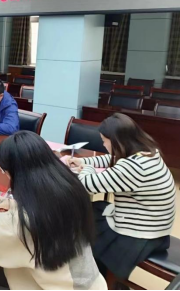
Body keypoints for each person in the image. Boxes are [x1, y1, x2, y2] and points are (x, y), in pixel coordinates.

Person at [0, 131, 106, 290]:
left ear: (10, 172)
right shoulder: (73, 190)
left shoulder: (25, 223)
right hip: (92, 283)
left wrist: (10, 213)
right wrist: (16, 205)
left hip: (61, 286)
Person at [68, 113, 176, 281]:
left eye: (104, 141)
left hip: (140, 236)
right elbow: (111, 158)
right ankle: (96, 271)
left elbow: (87, 184)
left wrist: (85, 168)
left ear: (117, 141)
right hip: (154, 226)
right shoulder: (148, 153)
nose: (103, 145)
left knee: (86, 222)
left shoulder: (133, 167)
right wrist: (86, 162)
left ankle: (97, 276)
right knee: (95, 209)